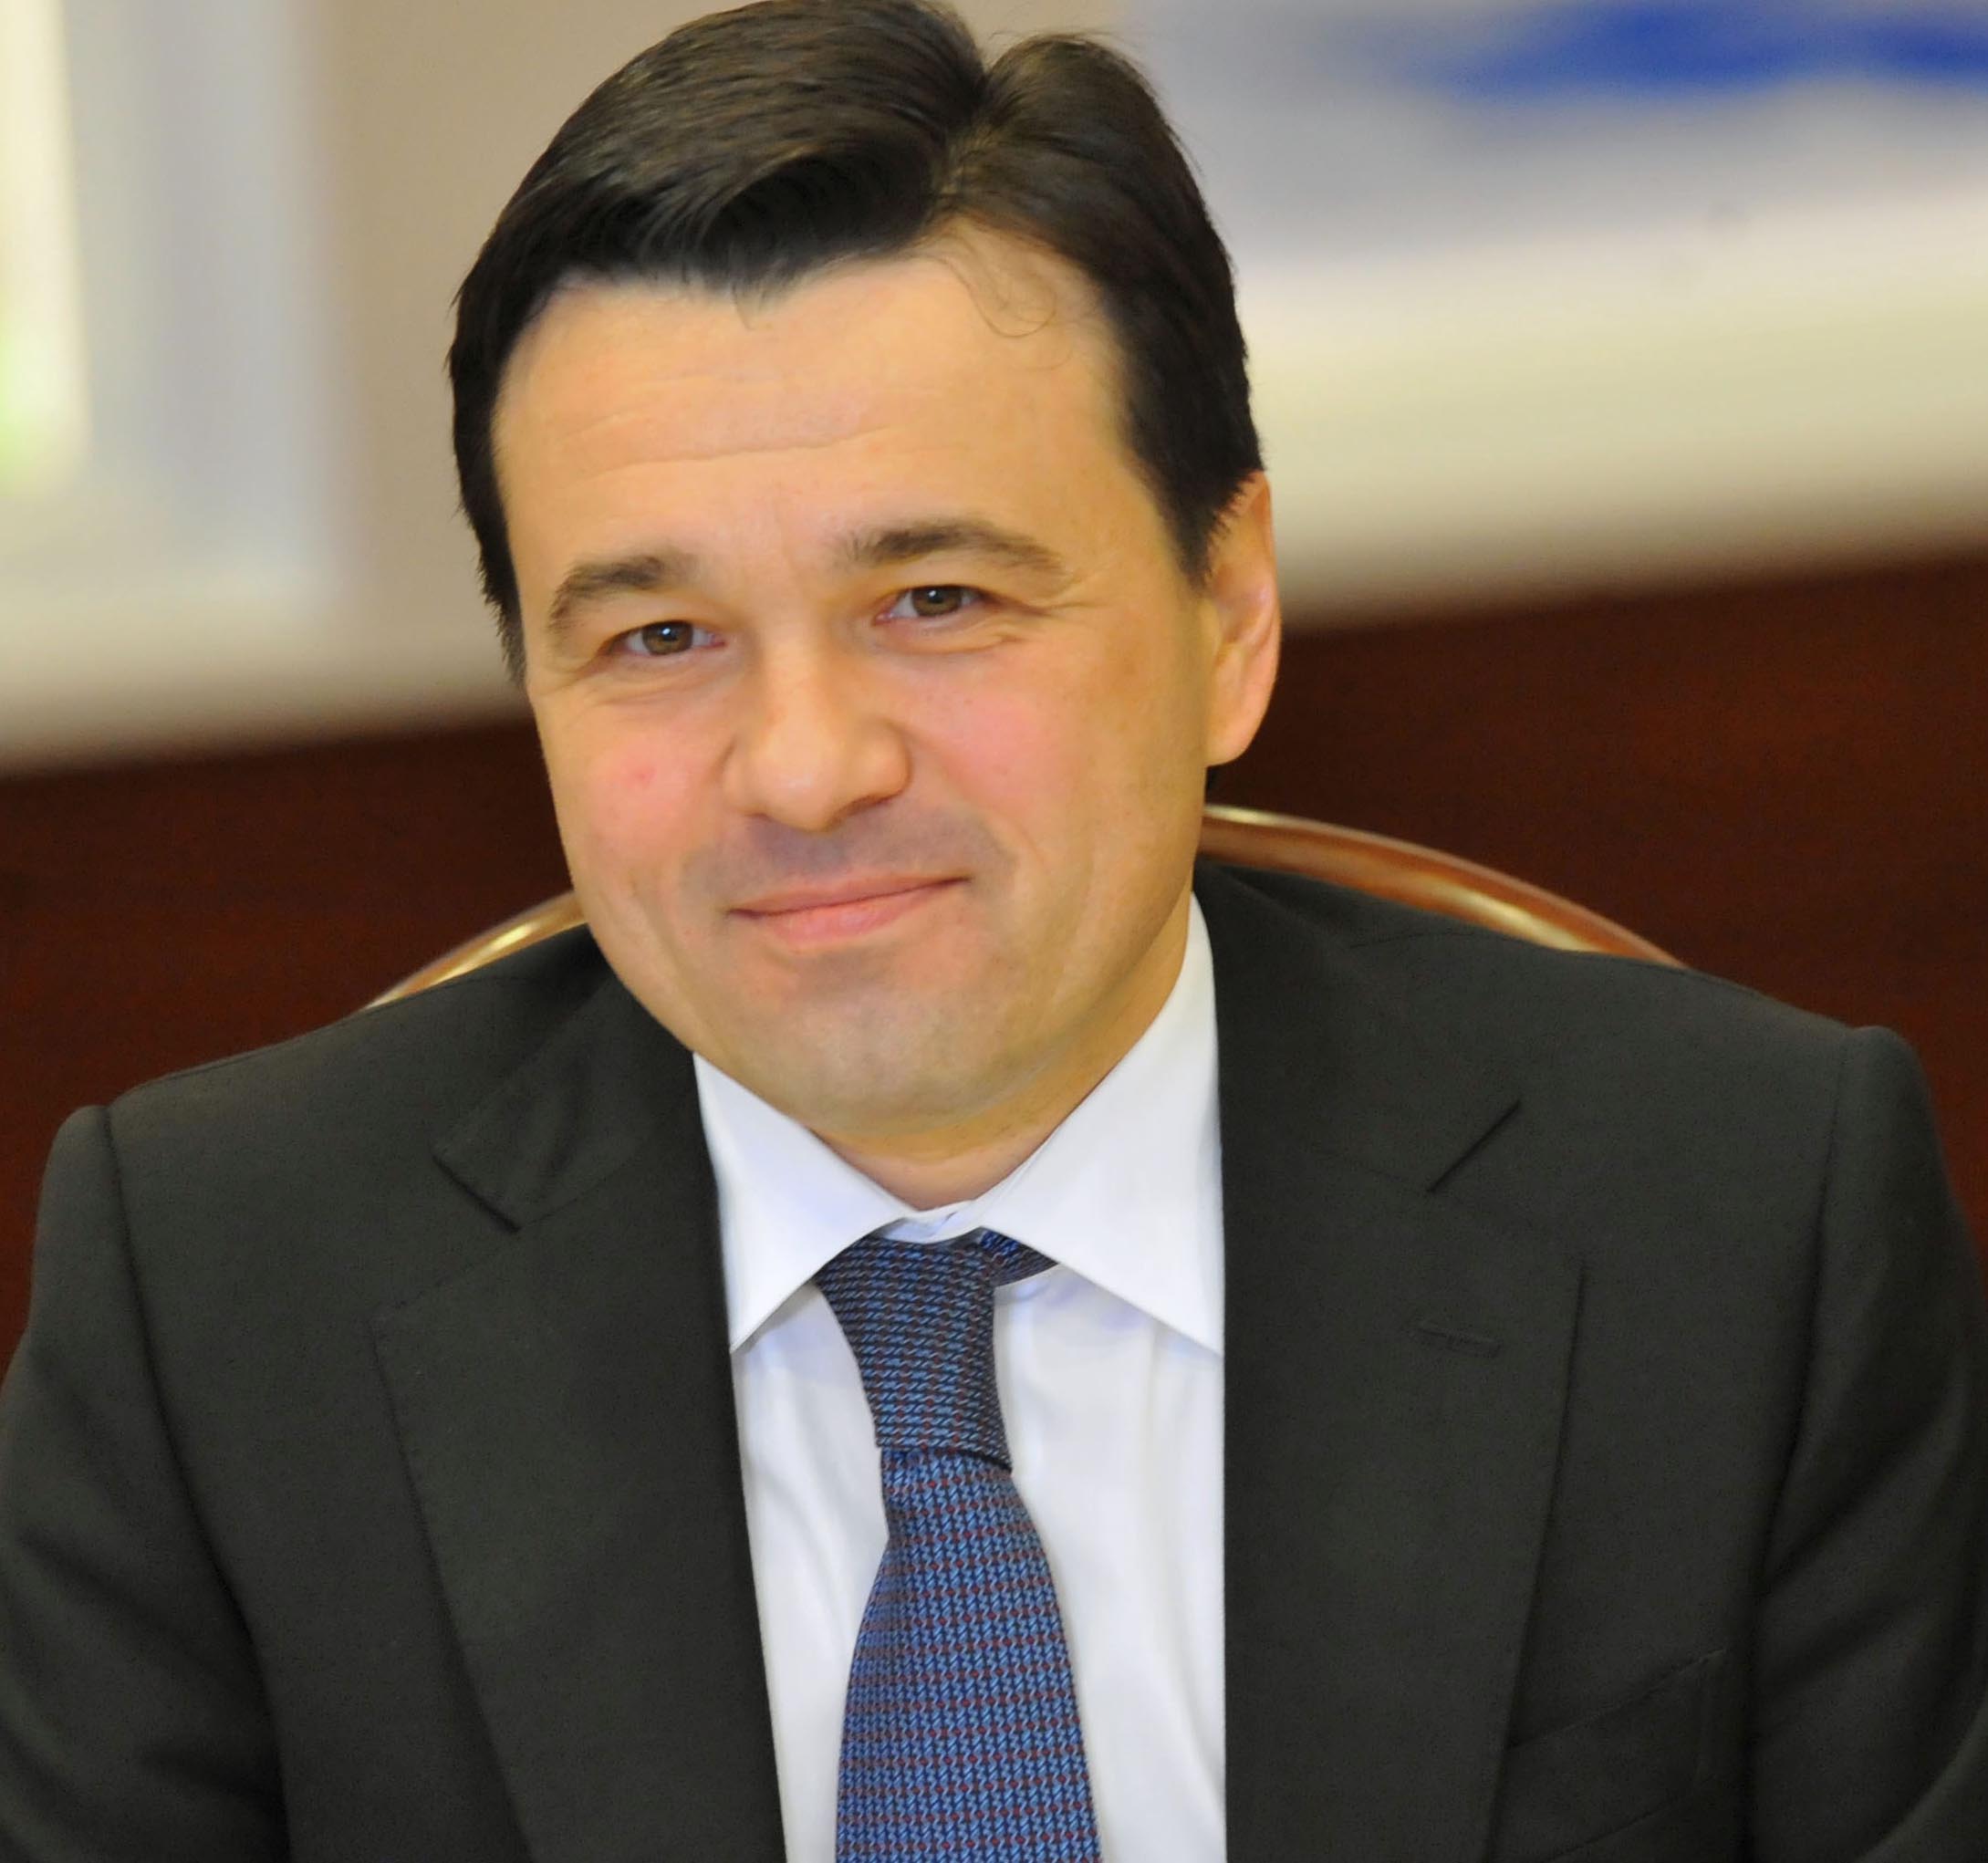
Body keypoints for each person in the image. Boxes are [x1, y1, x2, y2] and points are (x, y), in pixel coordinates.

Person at [3, 1, 1985, 1857]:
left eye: (936, 600)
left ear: (1229, 613)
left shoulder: (1742, 1222)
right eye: (660, 636)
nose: (803, 768)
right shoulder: (221, 1302)